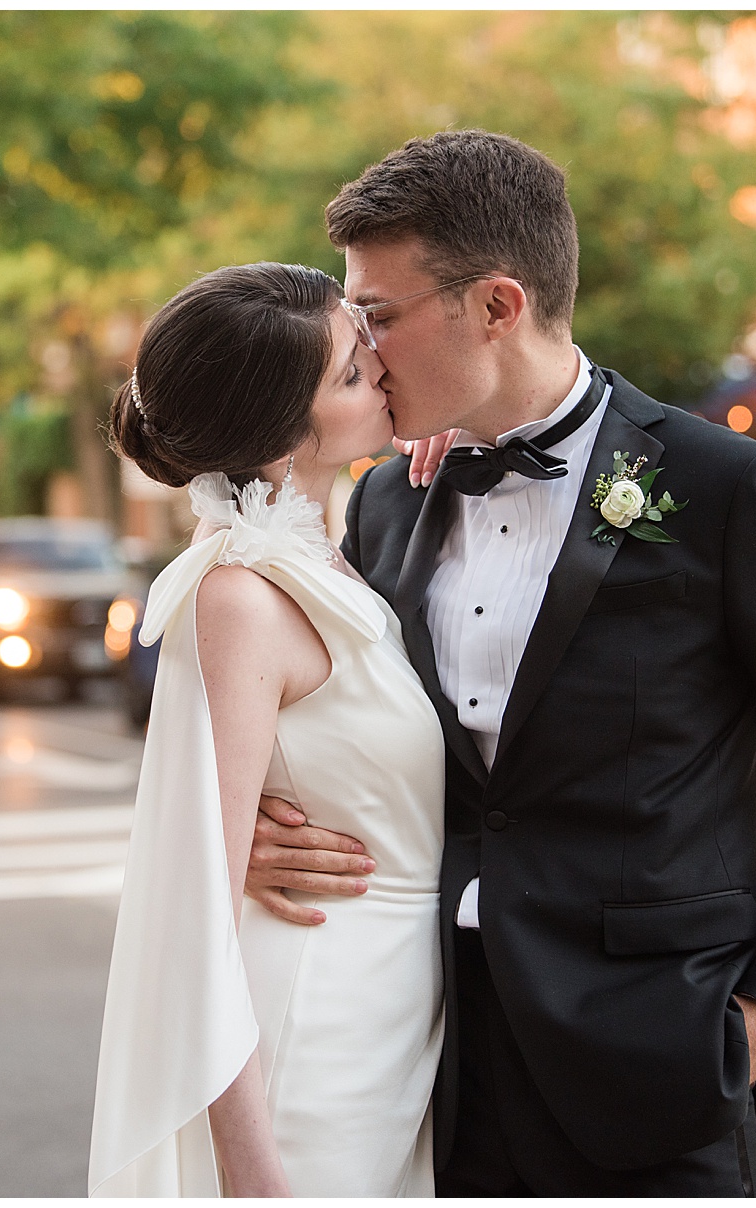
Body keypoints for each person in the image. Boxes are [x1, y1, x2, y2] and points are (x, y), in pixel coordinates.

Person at [244, 130, 756, 1195]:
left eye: (377, 315)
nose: (362, 349)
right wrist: (253, 828)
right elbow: (343, 729)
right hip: (422, 1059)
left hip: (658, 1062)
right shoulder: (387, 496)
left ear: (497, 307)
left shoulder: (728, 491)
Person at [88, 262, 447, 1196]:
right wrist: (253, 1174)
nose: (380, 366)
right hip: (314, 1037)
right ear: (284, 437)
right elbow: (195, 909)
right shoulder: (240, 591)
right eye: (351, 372)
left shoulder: (331, 552)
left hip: (394, 1024)